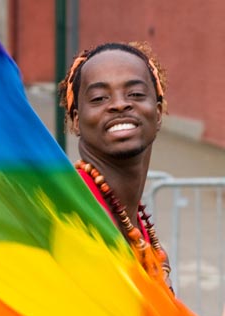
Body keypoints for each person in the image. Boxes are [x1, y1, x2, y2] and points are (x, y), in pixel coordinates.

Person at [58, 42, 173, 291]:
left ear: (158, 112)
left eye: (135, 94)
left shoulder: (133, 220)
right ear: (77, 120)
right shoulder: (74, 214)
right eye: (99, 98)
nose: (120, 105)